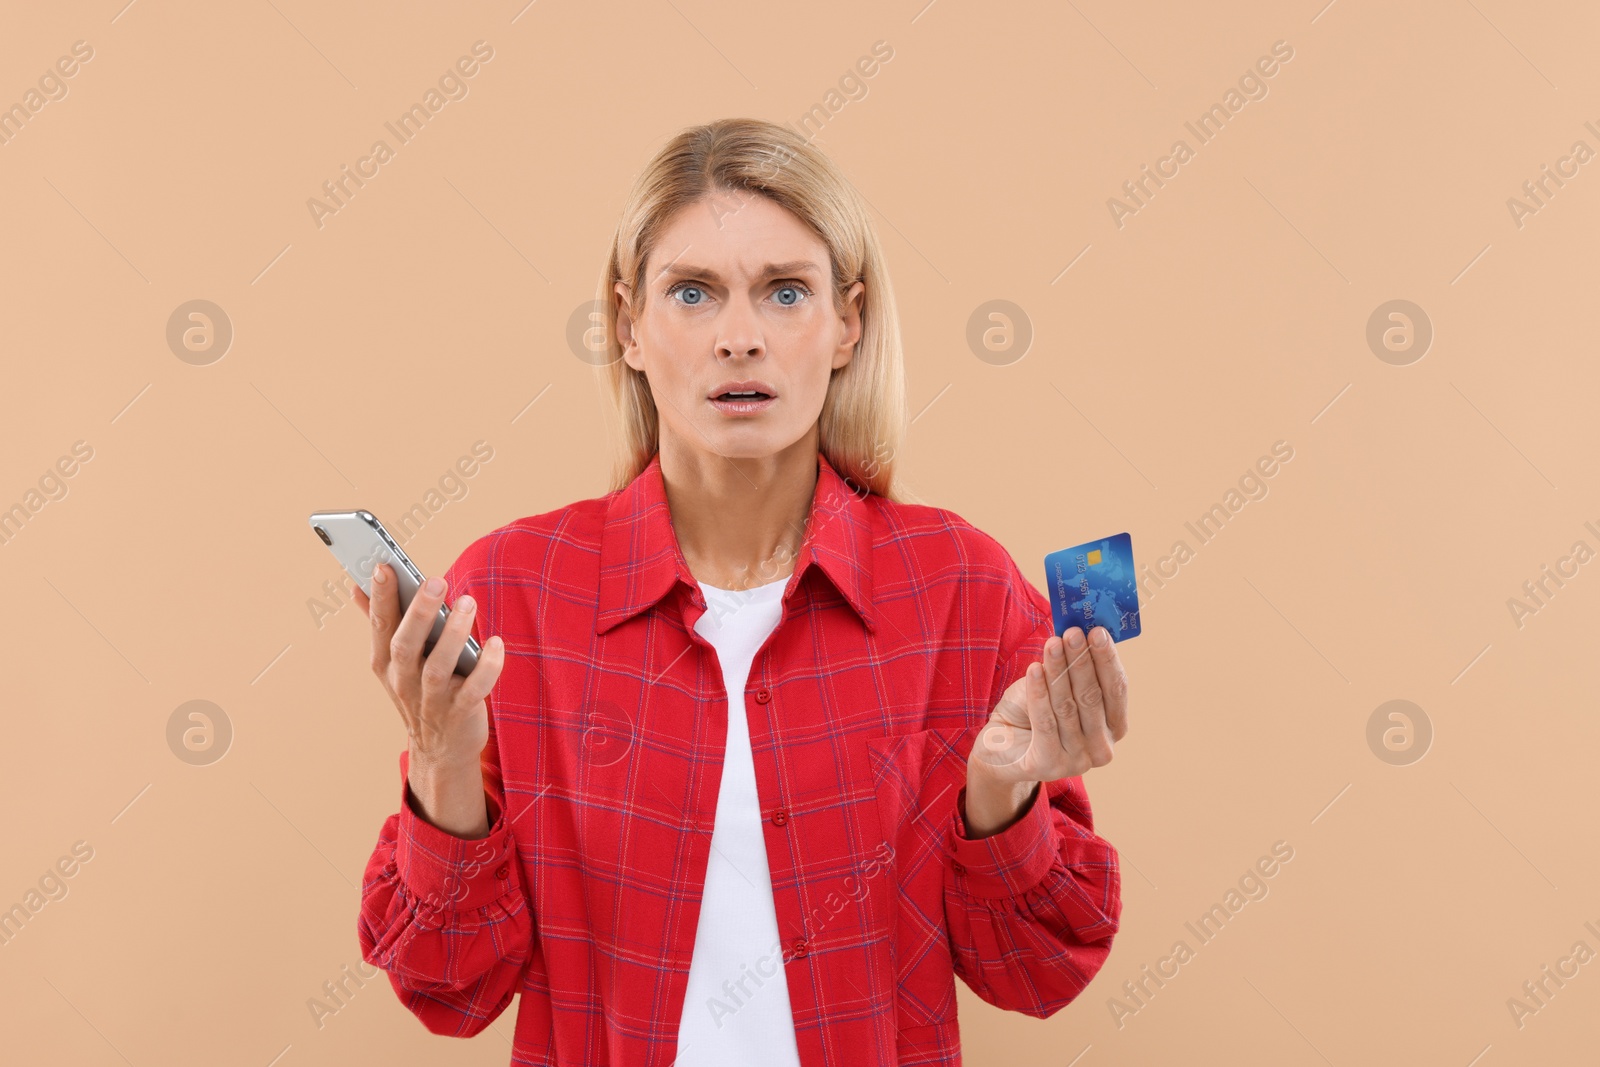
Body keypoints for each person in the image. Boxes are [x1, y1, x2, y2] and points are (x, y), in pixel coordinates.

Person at [352, 116, 1129, 1066]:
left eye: (786, 293)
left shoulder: (964, 588)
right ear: (630, 325)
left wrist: (1000, 795)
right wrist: (441, 765)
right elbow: (448, 985)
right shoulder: (511, 594)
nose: (740, 339)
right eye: (693, 293)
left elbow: (1040, 970)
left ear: (848, 323)